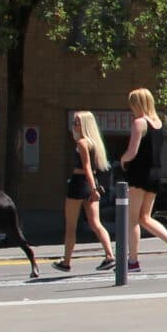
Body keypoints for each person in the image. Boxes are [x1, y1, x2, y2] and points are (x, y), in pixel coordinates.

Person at [116, 86, 167, 272]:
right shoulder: (158, 123)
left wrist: (122, 159)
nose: (131, 109)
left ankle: (132, 261)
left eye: (132, 105)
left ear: (137, 104)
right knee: (145, 217)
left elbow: (132, 152)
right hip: (155, 174)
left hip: (139, 174)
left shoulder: (139, 123)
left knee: (132, 219)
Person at [56, 109, 114, 272]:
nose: (74, 125)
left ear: (85, 125)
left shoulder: (82, 142)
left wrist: (94, 188)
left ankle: (66, 261)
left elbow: (86, 167)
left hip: (79, 183)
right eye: (73, 122)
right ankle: (110, 255)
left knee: (71, 226)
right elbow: (93, 169)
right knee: (96, 223)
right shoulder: (94, 143)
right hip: (90, 183)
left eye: (77, 123)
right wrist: (94, 187)